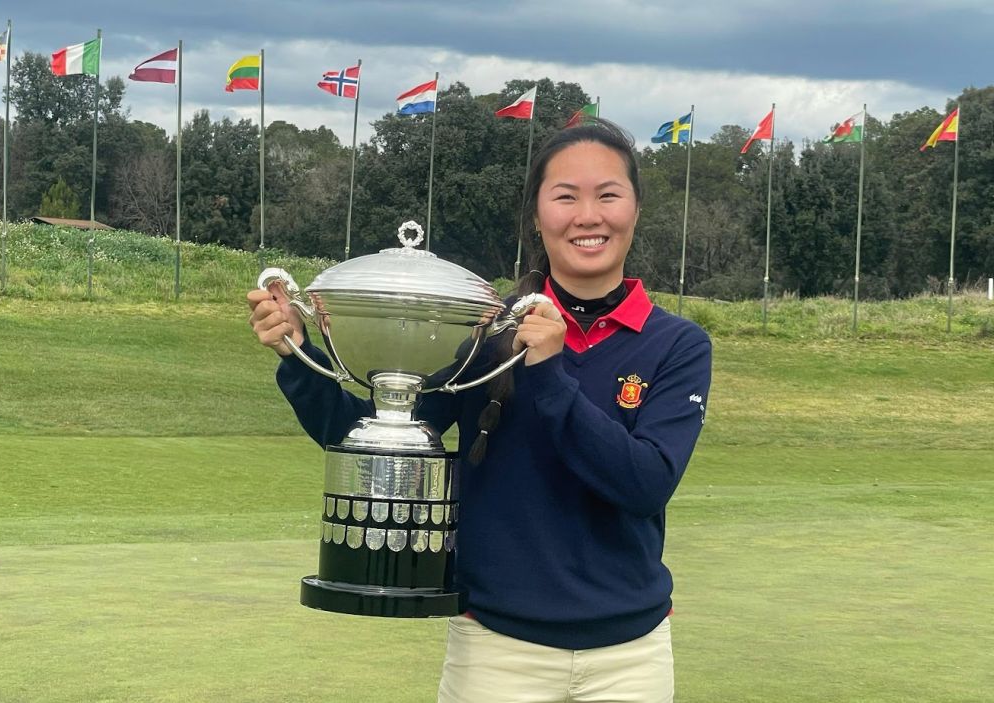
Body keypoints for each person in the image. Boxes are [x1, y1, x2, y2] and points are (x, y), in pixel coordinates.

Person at [247, 119, 712, 703]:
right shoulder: (488, 336)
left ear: (635, 209)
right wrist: (298, 355)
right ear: (538, 215)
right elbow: (374, 433)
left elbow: (644, 484)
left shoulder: (677, 345)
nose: (587, 215)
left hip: (630, 656)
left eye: (608, 195)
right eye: (565, 196)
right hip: (495, 649)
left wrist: (549, 371)